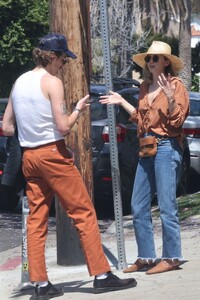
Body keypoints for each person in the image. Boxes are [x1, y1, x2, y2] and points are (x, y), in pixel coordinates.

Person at [2, 33, 137, 299]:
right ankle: (101, 274)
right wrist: (77, 110)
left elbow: (7, 127)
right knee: (83, 212)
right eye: (63, 58)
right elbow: (63, 127)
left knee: (37, 219)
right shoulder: (52, 82)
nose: (64, 63)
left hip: (30, 158)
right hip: (53, 154)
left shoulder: (18, 83)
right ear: (52, 57)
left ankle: (40, 284)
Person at [100, 41, 189, 275]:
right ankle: (147, 257)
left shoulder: (176, 85)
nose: (150, 62)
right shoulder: (145, 87)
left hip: (167, 147)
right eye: (148, 59)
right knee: (138, 205)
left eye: (155, 59)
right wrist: (122, 102)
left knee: (167, 205)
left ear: (166, 62)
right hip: (147, 148)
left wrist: (170, 98)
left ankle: (172, 257)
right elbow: (142, 119)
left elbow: (177, 122)